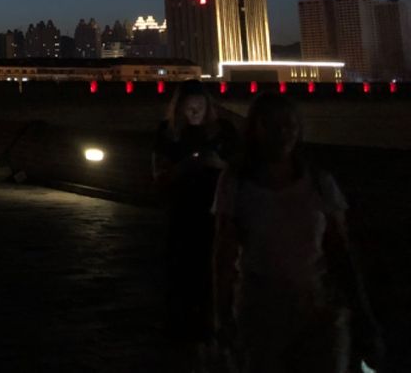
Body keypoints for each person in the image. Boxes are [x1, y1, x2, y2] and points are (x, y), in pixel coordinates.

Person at [212, 93, 383, 373]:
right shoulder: (236, 183)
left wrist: (362, 312)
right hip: (260, 312)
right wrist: (221, 313)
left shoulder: (319, 182)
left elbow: (340, 250)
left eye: (289, 125)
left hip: (318, 310)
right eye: (272, 125)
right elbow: (224, 252)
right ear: (255, 128)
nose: (282, 133)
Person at [152, 80, 239, 357]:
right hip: (182, 210)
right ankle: (183, 329)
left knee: (215, 267)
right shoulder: (167, 133)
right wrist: (185, 167)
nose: (194, 112)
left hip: (215, 209)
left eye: (199, 107)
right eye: (189, 107)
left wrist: (217, 164)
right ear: (178, 108)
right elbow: (159, 176)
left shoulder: (224, 131)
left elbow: (240, 169)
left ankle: (213, 325)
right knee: (182, 268)